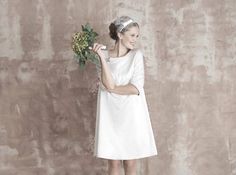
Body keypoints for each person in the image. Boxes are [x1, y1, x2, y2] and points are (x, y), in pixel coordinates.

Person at [92, 16, 158, 175]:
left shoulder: (136, 56)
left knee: (130, 161)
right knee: (113, 161)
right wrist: (101, 57)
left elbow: (135, 88)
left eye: (137, 36)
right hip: (110, 113)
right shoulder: (105, 55)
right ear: (120, 35)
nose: (135, 40)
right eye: (132, 35)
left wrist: (112, 88)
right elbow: (106, 82)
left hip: (131, 113)